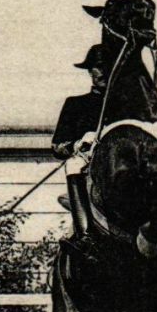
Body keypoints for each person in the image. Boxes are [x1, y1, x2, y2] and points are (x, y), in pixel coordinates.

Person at [52, 43, 110, 240]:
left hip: (119, 162)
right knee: (73, 164)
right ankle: (85, 234)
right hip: (88, 165)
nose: (103, 72)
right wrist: (77, 144)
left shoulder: (125, 105)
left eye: (108, 66)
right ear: (90, 71)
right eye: (98, 67)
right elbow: (57, 147)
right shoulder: (75, 104)